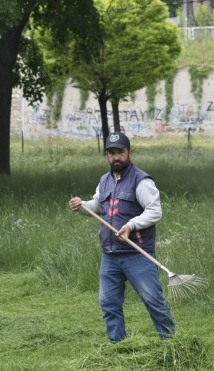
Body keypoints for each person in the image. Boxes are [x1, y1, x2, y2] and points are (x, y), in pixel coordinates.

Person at [69, 131, 175, 343]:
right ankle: (117, 344)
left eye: (120, 152)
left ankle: (171, 343)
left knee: (153, 301)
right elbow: (98, 205)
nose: (116, 157)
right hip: (110, 255)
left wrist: (131, 225)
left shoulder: (142, 181)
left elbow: (155, 211)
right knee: (109, 303)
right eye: (112, 153)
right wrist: (81, 206)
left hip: (137, 253)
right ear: (107, 155)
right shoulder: (104, 180)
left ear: (129, 152)